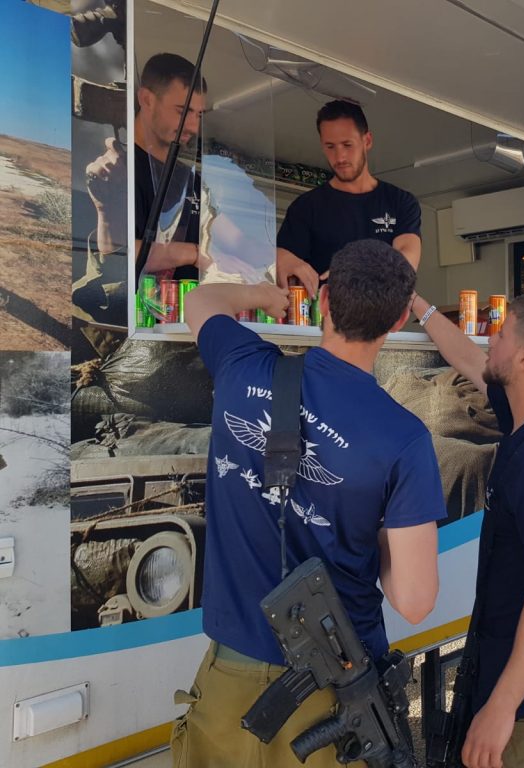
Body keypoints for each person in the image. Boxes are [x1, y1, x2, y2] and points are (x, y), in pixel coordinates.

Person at [175, 239, 446, 767]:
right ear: (395, 323)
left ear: (323, 302)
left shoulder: (242, 365)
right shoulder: (404, 439)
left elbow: (200, 302)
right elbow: (414, 600)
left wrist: (261, 293)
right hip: (334, 700)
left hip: (228, 679)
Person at [411, 290, 524, 768]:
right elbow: (467, 357)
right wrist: (417, 305)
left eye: (501, 332)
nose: (490, 340)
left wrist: (501, 706)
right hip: (518, 676)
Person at [276, 100, 422, 296]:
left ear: (367, 141)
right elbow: (280, 260)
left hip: (383, 322)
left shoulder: (400, 202)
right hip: (324, 322)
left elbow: (406, 264)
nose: (340, 157)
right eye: (330, 146)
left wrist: (358, 272)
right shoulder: (306, 207)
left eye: (347, 145)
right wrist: (283, 260)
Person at [85, 52, 206, 281]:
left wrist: (275, 254)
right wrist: (194, 253)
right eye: (183, 112)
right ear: (147, 99)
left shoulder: (191, 181)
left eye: (199, 115)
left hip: (188, 314)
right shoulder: (111, 166)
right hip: (133, 313)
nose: (193, 126)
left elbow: (232, 241)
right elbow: (117, 256)